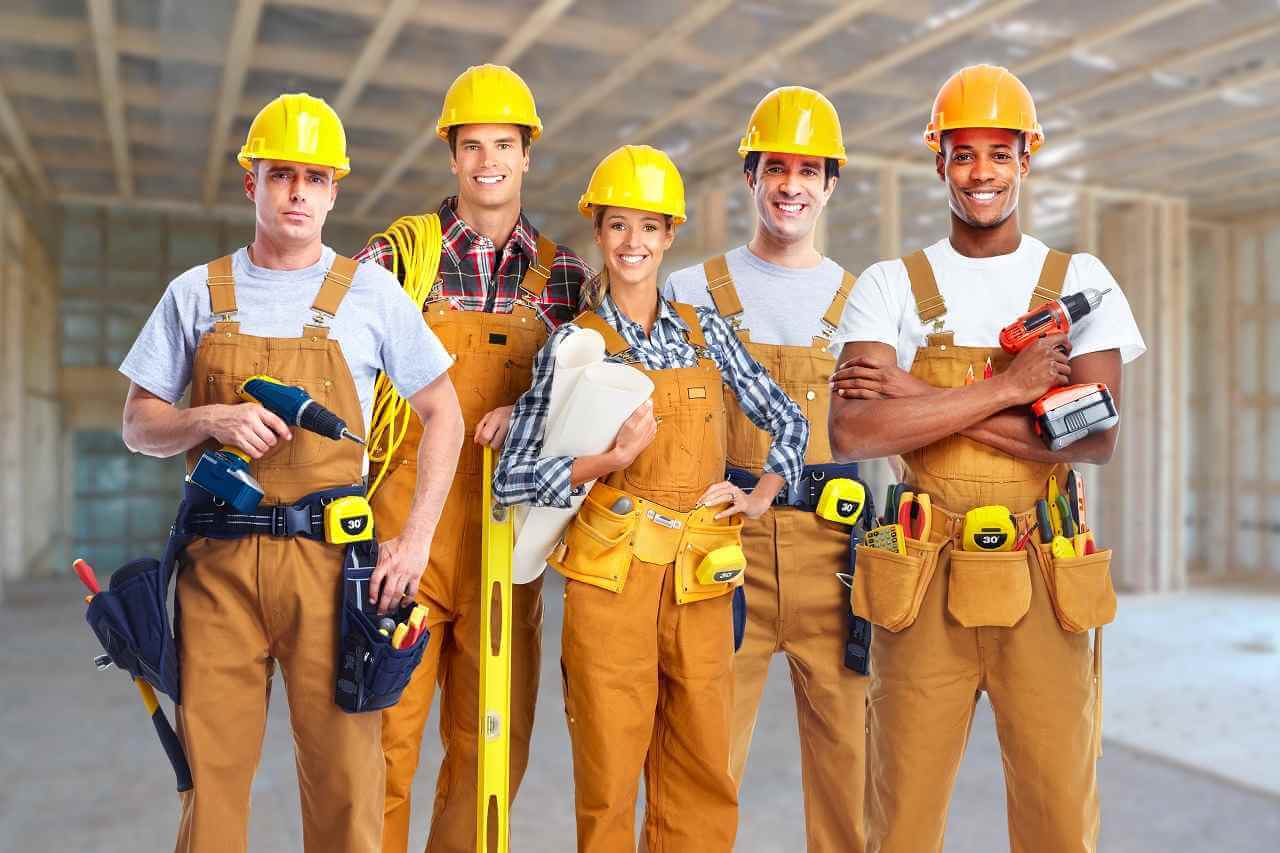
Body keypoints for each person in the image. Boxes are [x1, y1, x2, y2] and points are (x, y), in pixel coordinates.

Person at [118, 93, 462, 852]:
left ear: (334, 189)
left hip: (332, 568)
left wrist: (414, 542)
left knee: (347, 790)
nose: (298, 192)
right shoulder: (196, 292)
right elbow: (137, 423)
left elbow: (447, 413)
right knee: (211, 790)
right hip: (218, 568)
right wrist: (207, 420)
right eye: (281, 175)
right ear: (253, 184)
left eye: (314, 177)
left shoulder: (370, 295)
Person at [828, 65, 1146, 853]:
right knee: (900, 817)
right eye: (963, 154)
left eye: (998, 154)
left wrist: (914, 396)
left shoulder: (1082, 282)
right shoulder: (889, 286)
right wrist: (1010, 388)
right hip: (921, 573)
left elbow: (1092, 436)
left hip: (1045, 572)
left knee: (1058, 817)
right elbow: (855, 432)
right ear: (938, 160)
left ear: (1026, 159)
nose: (980, 174)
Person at [494, 144, 808, 852]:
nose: (631, 243)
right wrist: (606, 460)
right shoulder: (576, 344)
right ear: (598, 234)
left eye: (647, 227)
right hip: (611, 582)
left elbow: (787, 415)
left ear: (670, 235)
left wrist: (763, 491)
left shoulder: (707, 332)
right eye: (616, 227)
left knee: (702, 773)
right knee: (608, 774)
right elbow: (511, 476)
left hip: (701, 576)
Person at [354, 64, 592, 853]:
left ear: (527, 154)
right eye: (471, 145)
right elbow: (343, 374)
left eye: (503, 143)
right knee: (380, 747)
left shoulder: (564, 277)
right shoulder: (397, 259)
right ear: (451, 156)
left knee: (492, 752)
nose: (487, 159)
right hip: (404, 543)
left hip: (506, 549)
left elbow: (582, 402)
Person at [663, 85, 866, 852]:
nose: (791, 185)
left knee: (852, 766)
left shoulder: (863, 300)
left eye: (808, 171)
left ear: (830, 184)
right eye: (775, 167)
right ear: (750, 177)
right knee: (700, 759)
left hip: (835, 551)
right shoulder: (689, 292)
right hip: (722, 547)